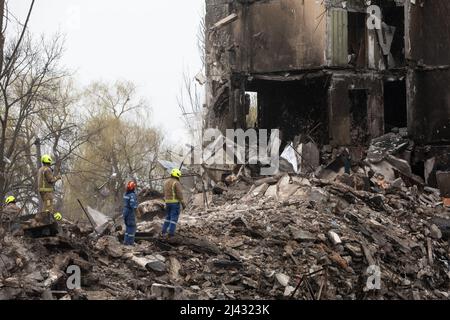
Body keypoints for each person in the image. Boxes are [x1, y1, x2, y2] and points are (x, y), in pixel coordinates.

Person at [37, 155, 62, 224]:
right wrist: (57, 177)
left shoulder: (41, 169)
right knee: (48, 207)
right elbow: (51, 180)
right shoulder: (47, 169)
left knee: (45, 206)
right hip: (47, 192)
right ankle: (46, 222)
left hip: (42, 191)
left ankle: (43, 220)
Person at [162, 168, 186, 238]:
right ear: (177, 175)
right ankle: (171, 234)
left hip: (167, 203)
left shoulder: (166, 182)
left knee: (168, 217)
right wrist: (183, 203)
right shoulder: (176, 182)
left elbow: (165, 193)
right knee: (173, 218)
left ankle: (163, 231)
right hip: (174, 203)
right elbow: (179, 194)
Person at [123, 181, 138, 246]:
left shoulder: (126, 194)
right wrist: (136, 208)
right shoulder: (132, 195)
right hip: (130, 212)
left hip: (125, 211)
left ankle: (126, 241)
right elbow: (133, 205)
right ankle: (131, 243)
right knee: (132, 227)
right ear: (133, 188)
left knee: (127, 227)